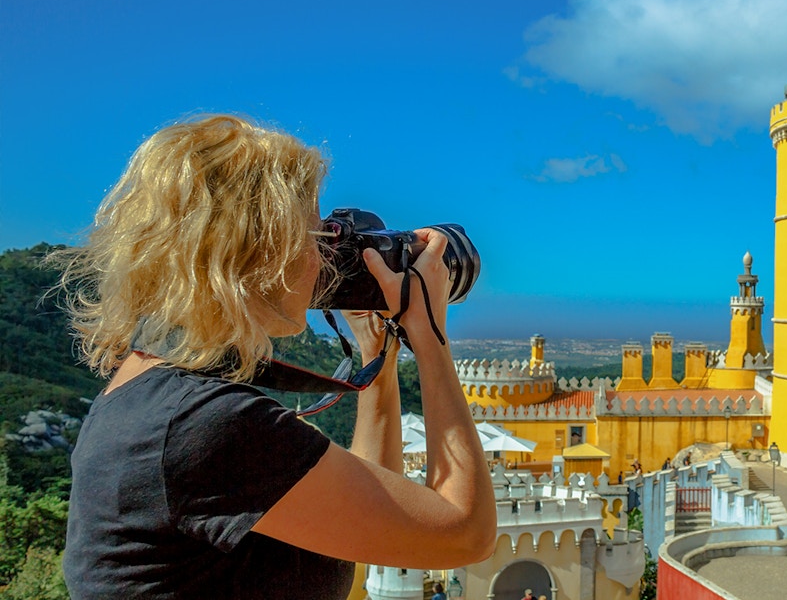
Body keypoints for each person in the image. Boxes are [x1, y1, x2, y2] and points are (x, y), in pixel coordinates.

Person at [56, 115, 497, 599]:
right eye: (316, 237)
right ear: (257, 250)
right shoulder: (205, 425)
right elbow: (464, 534)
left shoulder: (150, 396)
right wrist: (430, 337)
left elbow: (379, 525)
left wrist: (380, 357)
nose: (326, 260)